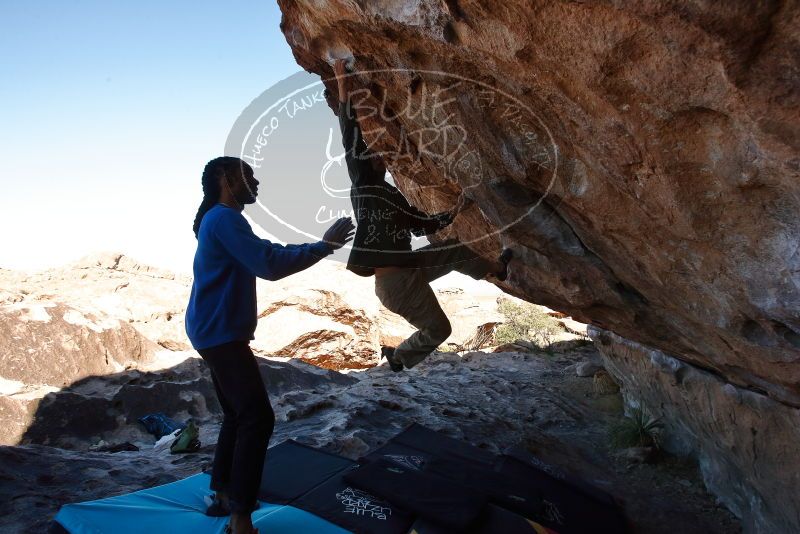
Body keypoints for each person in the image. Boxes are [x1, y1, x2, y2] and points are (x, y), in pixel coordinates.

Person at [184, 156, 354, 534]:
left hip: (211, 331)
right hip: (221, 334)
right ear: (225, 178)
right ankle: (240, 520)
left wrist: (316, 246)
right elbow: (268, 263)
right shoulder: (224, 218)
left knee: (237, 415)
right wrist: (323, 246)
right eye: (249, 176)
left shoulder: (219, 219)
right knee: (259, 418)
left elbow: (267, 250)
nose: (256, 182)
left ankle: (225, 495)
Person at [329, 59, 512, 371]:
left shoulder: (391, 197)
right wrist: (341, 81)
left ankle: (497, 269)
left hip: (408, 267)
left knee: (453, 249)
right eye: (373, 156)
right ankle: (399, 358)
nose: (379, 157)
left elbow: (421, 225)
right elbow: (350, 134)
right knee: (440, 330)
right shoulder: (365, 186)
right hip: (397, 283)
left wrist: (456, 209)